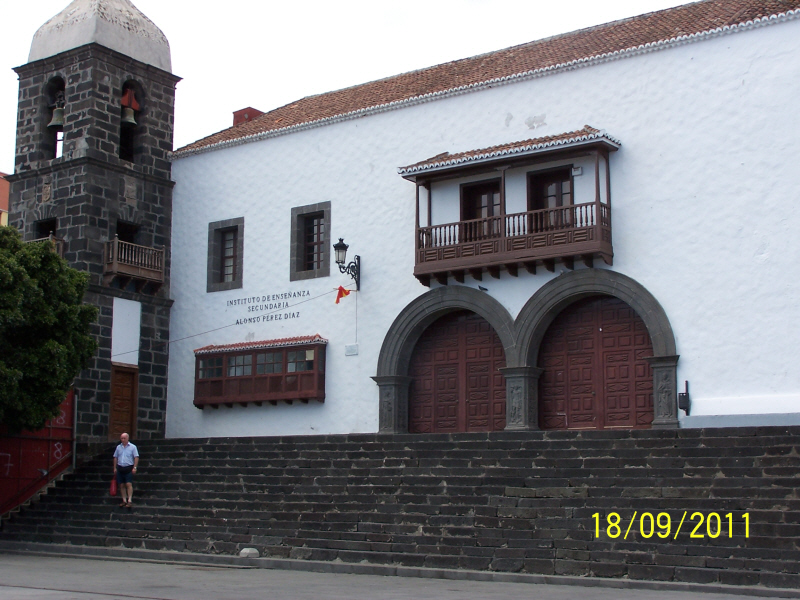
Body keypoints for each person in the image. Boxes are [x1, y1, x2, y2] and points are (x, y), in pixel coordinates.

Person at [112, 432, 139, 508]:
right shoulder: (118, 447)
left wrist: (135, 467)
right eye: (122, 438)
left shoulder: (133, 447)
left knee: (128, 484)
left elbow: (136, 457)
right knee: (121, 485)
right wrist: (114, 467)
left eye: (124, 438)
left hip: (128, 467)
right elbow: (115, 457)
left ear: (127, 438)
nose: (123, 440)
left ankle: (129, 500)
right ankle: (124, 500)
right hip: (120, 467)